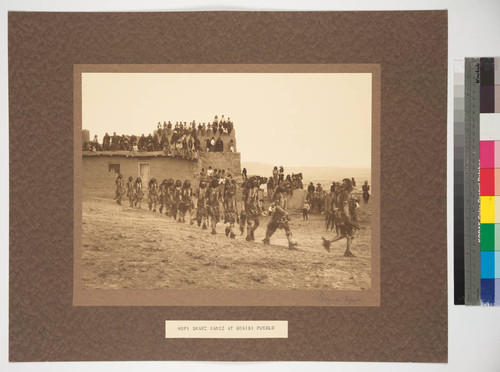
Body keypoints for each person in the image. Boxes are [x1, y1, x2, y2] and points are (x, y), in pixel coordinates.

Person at [322, 178, 360, 257]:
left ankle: (328, 242)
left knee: (342, 234)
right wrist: (348, 217)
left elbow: (332, 204)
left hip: (337, 215)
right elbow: (345, 205)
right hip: (343, 216)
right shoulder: (345, 193)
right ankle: (348, 251)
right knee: (351, 232)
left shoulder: (336, 193)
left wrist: (335, 210)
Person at [263, 181, 297, 249]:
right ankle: (267, 238)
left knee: (286, 227)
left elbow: (284, 206)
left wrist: (285, 213)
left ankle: (290, 243)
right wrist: (284, 212)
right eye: (287, 187)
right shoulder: (278, 195)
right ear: (284, 188)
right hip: (278, 214)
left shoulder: (284, 196)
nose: (289, 189)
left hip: (282, 214)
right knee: (273, 228)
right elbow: (276, 206)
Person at [240, 177, 261, 241]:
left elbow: (257, 199)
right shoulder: (245, 190)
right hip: (248, 207)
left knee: (257, 222)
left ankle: (251, 231)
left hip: (254, 207)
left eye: (256, 181)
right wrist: (243, 209)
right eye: (254, 181)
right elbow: (243, 200)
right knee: (249, 222)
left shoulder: (256, 189)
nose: (255, 182)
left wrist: (259, 207)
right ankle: (248, 236)